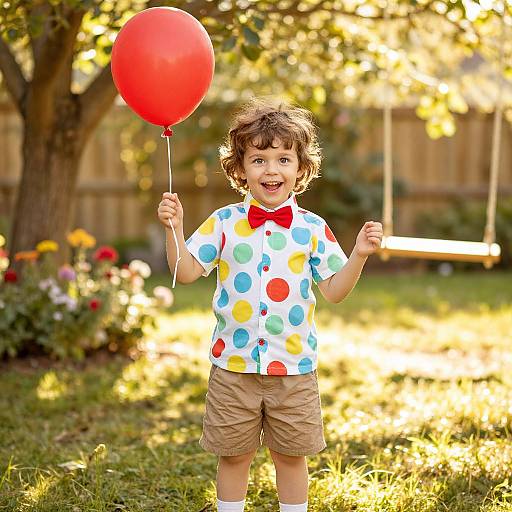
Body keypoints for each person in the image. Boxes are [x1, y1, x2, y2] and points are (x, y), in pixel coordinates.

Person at [157, 97, 383, 512]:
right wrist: (176, 229)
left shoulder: (312, 229)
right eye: (259, 160)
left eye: (283, 158)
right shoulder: (225, 222)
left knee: (290, 456)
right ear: (240, 169)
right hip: (234, 368)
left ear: (300, 169)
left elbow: (333, 290)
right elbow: (186, 271)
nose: (272, 169)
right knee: (234, 455)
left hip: (293, 368)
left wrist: (359, 256)